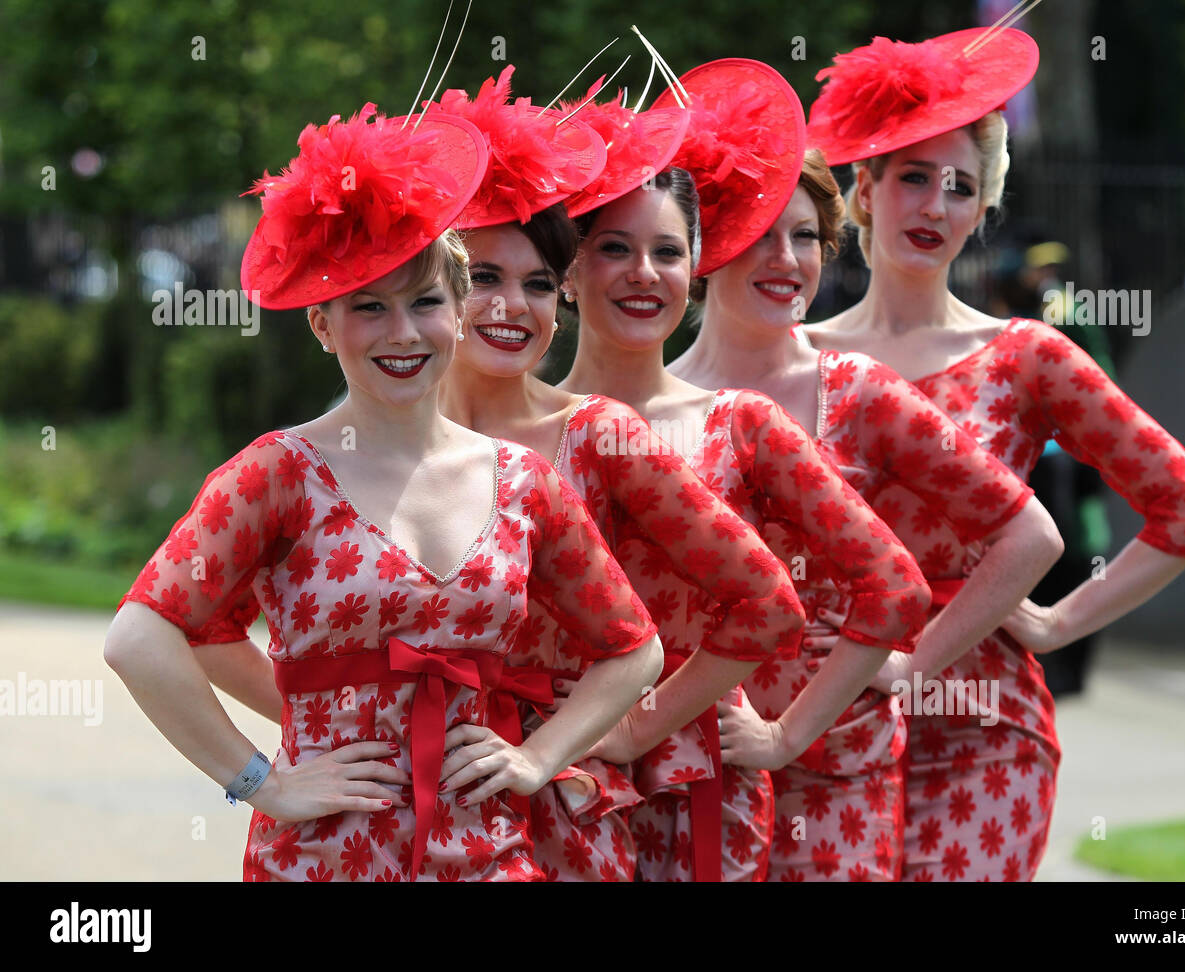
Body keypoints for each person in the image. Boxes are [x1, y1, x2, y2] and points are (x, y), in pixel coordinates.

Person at [103, 102, 664, 882]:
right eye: (369, 307)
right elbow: (138, 639)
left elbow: (634, 650)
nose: (403, 332)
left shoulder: (522, 483)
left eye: (426, 302)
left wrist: (537, 759)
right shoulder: (278, 472)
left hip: (489, 853)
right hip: (325, 858)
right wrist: (261, 780)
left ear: (460, 314)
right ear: (324, 326)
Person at [800, 26, 1185, 879]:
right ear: (863, 191)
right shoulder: (792, 357)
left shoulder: (1026, 356)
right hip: (823, 721)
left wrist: (1057, 621)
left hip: (983, 736)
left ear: (984, 208)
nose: (935, 206)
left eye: (962, 188)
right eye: (914, 178)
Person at [656, 60, 1061, 880]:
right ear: (707, 246)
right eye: (760, 232)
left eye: (805, 236)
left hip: (839, 774)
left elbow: (1030, 535)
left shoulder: (857, 388)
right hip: (690, 773)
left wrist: (910, 668)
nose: (787, 258)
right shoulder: (646, 401)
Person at [435, 72, 806, 880]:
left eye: (535, 281)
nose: (510, 305)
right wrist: (279, 764)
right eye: (483, 278)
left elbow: (768, 603)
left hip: (565, 804)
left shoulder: (599, 434)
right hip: (409, 808)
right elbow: (184, 623)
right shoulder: (373, 441)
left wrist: (620, 733)